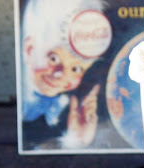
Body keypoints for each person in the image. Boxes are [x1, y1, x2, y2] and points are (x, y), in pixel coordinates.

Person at [20, 0, 105, 149]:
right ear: (29, 50)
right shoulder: (23, 101)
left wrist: (77, 139)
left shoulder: (65, 106)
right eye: (54, 58)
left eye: (76, 69)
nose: (61, 75)